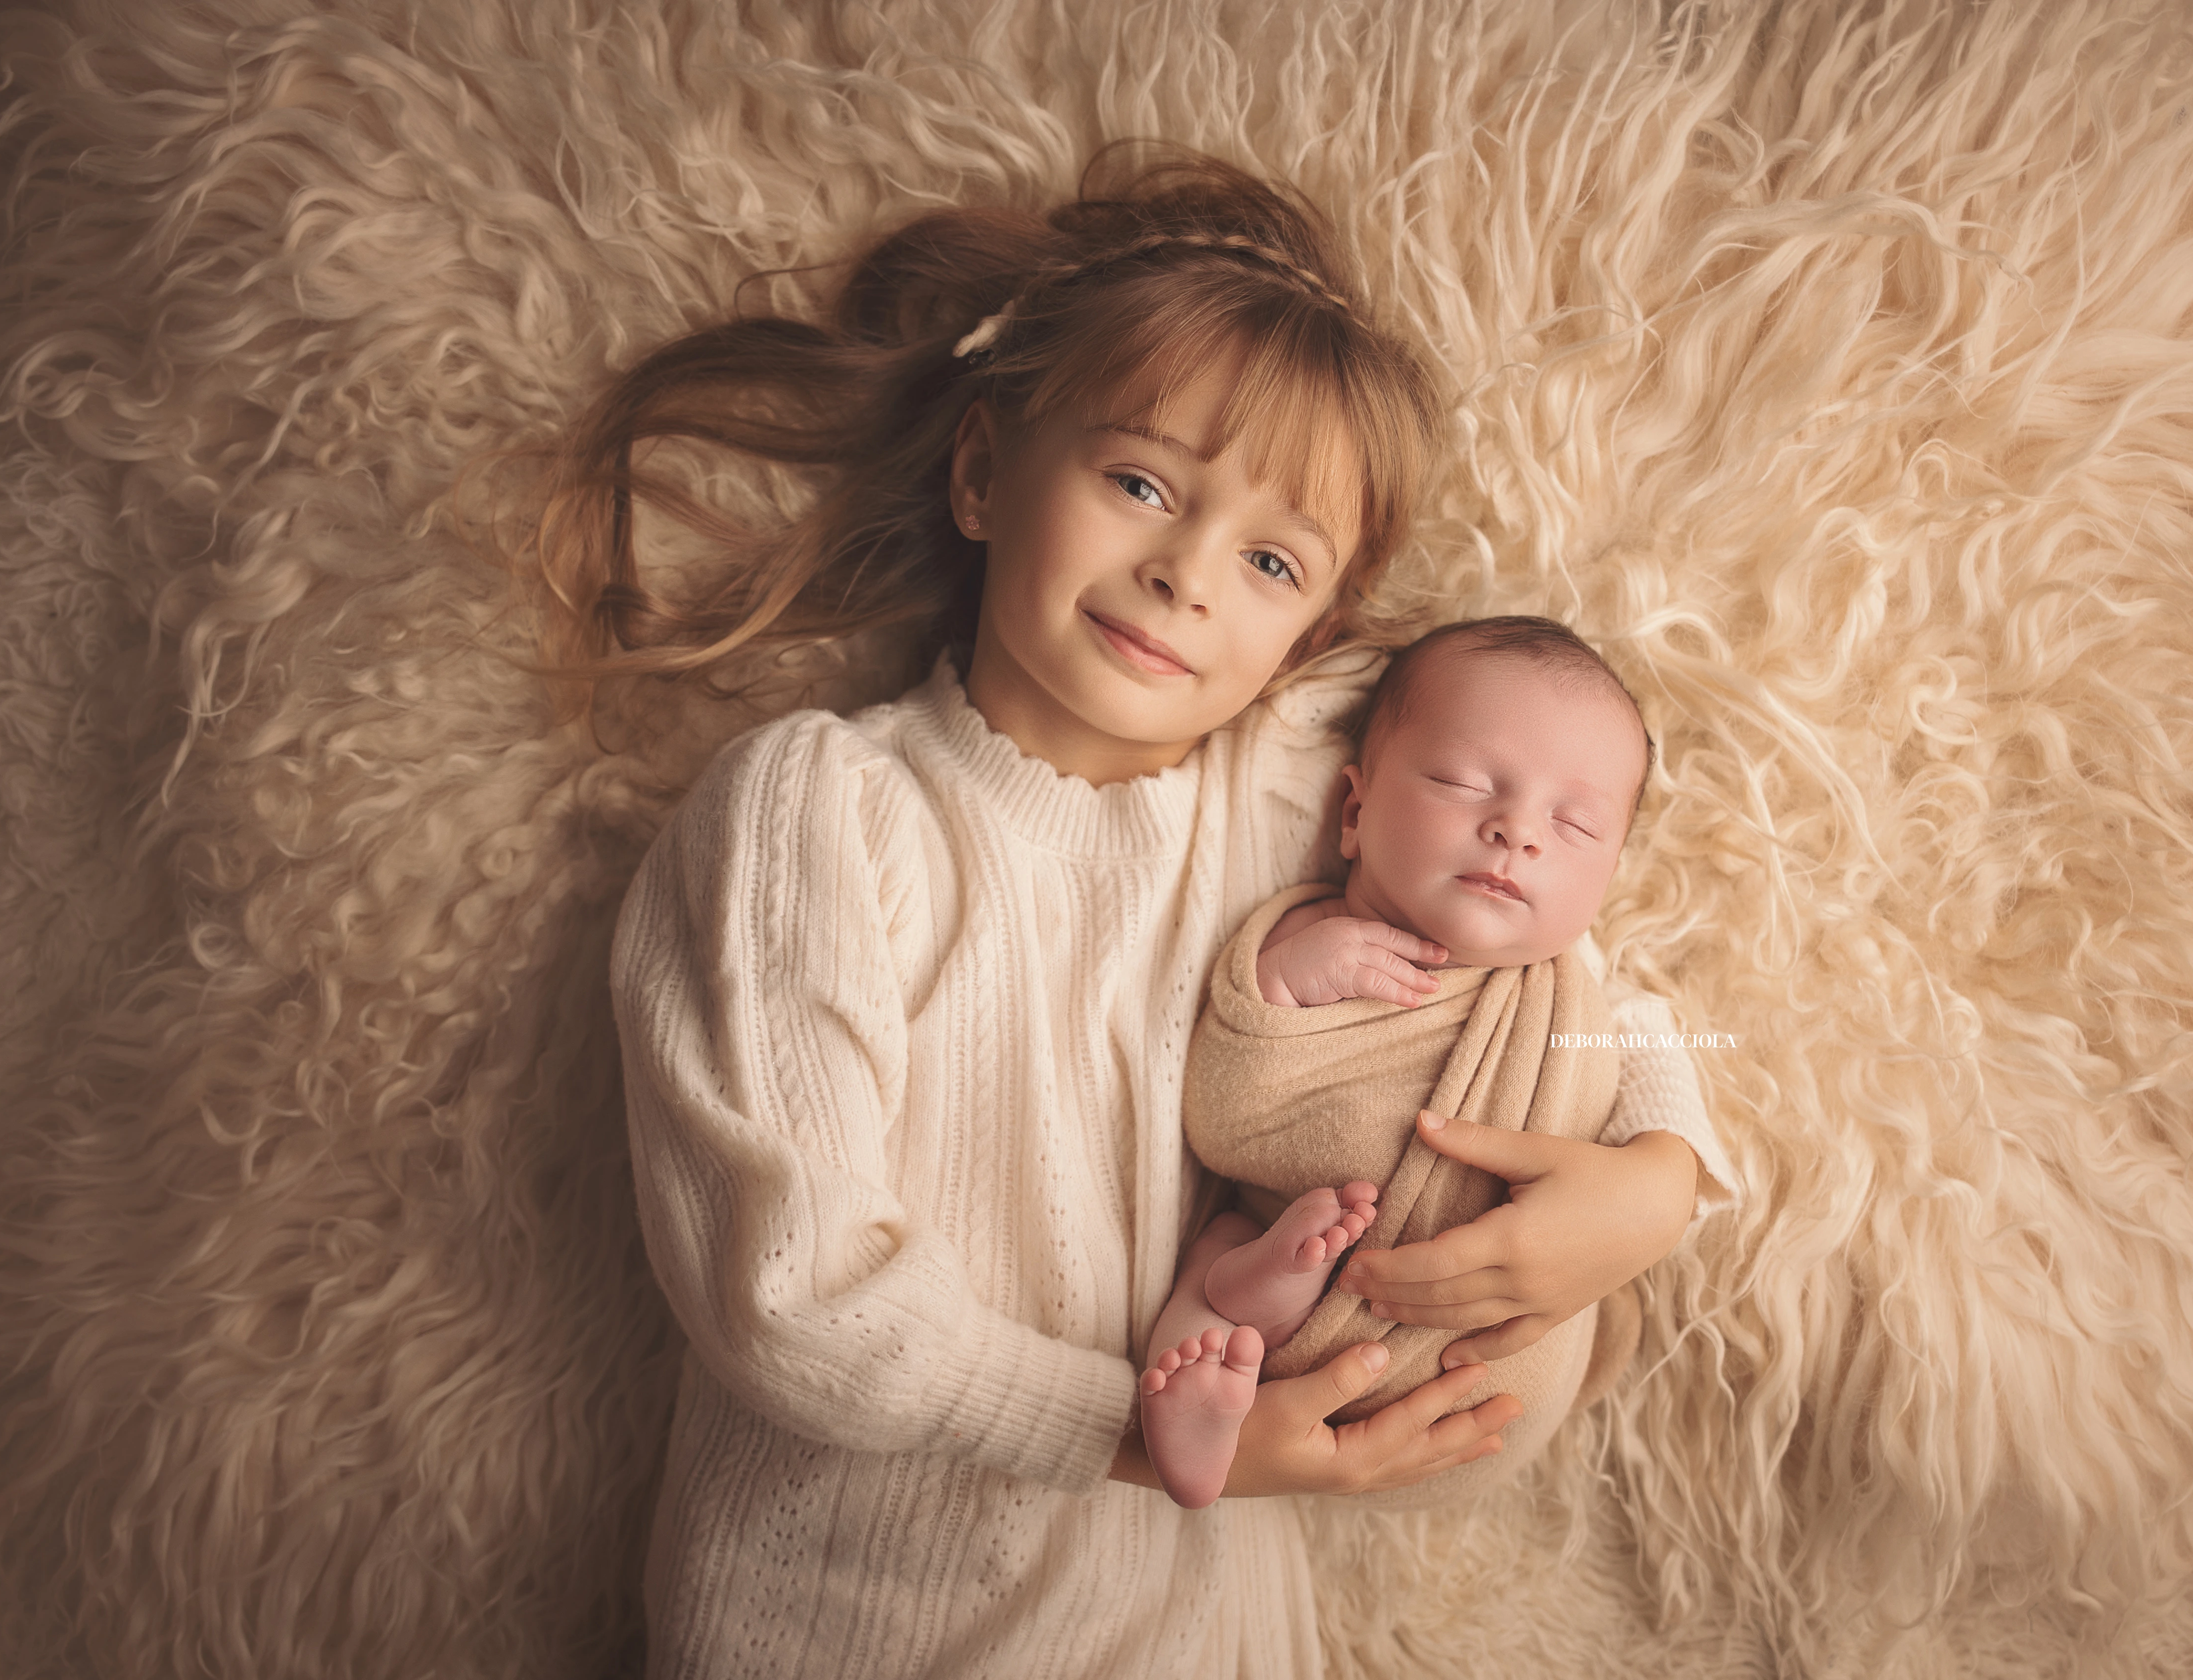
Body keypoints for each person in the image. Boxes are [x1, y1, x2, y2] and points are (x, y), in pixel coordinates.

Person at [553, 148, 1700, 1680]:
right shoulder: (822, 811)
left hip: (1206, 1637)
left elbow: (1565, 951)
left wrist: (1663, 1177)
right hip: (854, 1622)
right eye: (1140, 482)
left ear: (1319, 629)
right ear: (980, 472)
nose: (1181, 577)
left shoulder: (1299, 798)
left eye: (1269, 559)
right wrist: (1155, 1437)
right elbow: (791, 1295)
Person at [1138, 618, 1738, 1509]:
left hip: (1491, 1380)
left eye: (1573, 824)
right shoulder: (1308, 940)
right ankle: (1214, 1356)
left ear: (1607, 879)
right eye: (1464, 783)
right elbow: (1225, 1116)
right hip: (1293, 1357)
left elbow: (1660, 1075)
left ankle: (1250, 1297)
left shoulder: (1581, 1000)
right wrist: (1286, 985)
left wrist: (1659, 1183)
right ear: (1353, 812)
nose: (1516, 832)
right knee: (1226, 1244)